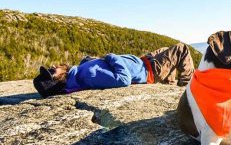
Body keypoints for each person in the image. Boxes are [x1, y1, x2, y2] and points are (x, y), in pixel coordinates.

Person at [33, 43, 195, 98]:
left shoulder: (78, 73)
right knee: (181, 50)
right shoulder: (87, 76)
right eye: (51, 72)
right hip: (149, 70)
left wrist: (88, 60)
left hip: (143, 62)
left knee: (166, 49)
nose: (53, 66)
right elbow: (123, 79)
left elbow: (95, 65)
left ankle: (168, 87)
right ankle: (189, 90)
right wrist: (111, 56)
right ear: (58, 79)